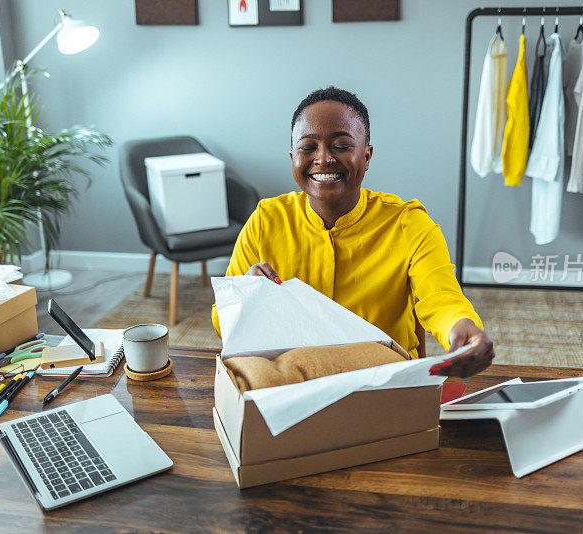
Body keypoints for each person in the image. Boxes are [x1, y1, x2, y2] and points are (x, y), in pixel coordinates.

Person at [212, 87, 494, 378]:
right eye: (308, 147)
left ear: (367, 155)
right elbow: (223, 321)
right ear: (293, 156)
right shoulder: (266, 220)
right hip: (292, 383)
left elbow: (441, 299)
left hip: (381, 382)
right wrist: (247, 293)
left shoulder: (408, 223)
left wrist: (462, 326)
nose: (324, 159)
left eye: (342, 145)